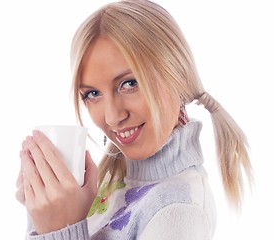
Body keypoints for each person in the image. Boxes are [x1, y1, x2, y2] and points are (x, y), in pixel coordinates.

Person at [15, 0, 253, 239]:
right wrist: (44, 216)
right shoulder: (107, 183)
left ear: (178, 74)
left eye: (130, 84)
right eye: (92, 94)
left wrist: (59, 230)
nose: (112, 117)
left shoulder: (178, 211)